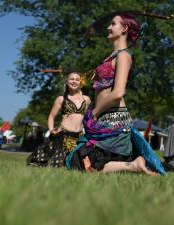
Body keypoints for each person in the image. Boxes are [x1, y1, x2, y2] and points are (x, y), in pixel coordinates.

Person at [66, 13, 165, 176]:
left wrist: (95, 113)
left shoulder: (124, 56)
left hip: (114, 120)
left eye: (113, 24)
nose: (108, 27)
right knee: (77, 161)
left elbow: (118, 92)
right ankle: (133, 165)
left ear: (124, 28)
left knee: (85, 165)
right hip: (103, 117)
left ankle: (134, 165)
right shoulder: (109, 57)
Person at [30, 72, 91, 167]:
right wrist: (51, 130)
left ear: (80, 82)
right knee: (57, 164)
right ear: (67, 81)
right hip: (63, 135)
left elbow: (90, 118)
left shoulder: (86, 99)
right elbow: (51, 117)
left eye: (77, 79)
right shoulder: (61, 99)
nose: (74, 81)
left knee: (77, 166)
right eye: (71, 79)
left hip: (79, 136)